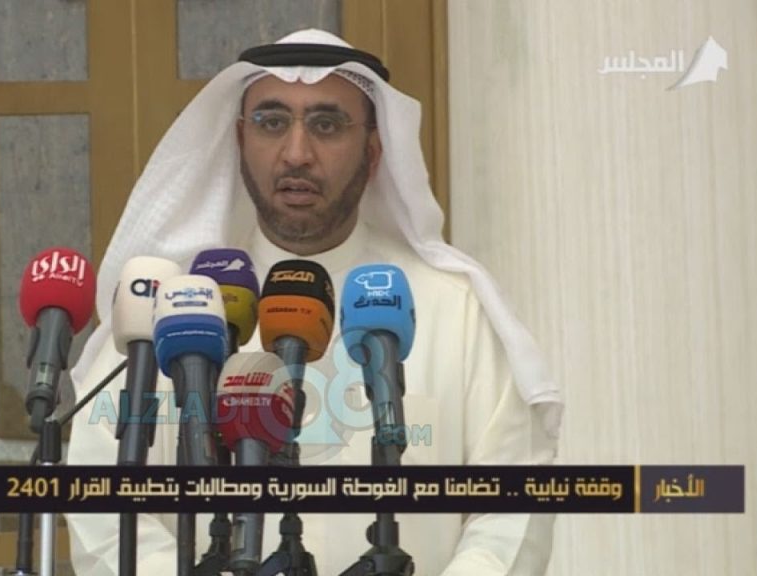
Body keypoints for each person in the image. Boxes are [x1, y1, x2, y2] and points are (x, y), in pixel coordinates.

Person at [64, 29, 563, 575]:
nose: (297, 153)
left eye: (326, 125)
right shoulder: (176, 308)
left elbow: (511, 507)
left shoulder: (455, 311)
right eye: (272, 122)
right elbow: (103, 503)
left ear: (373, 151)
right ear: (240, 140)